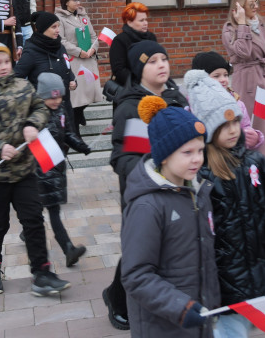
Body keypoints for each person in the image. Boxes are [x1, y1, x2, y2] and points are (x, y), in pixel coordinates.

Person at [0, 41, 70, 297]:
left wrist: (32, 124)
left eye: (6, 61)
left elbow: (40, 107)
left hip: (23, 169)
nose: (4, 66)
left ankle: (42, 273)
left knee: (33, 219)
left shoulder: (23, 86)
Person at [183, 69, 265, 338]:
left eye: (235, 122)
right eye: (223, 125)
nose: (233, 130)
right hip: (224, 283)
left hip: (256, 272)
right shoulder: (202, 176)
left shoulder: (254, 161)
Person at [103, 40, 189, 331]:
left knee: (168, 247)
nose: (161, 64)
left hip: (178, 191)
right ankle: (117, 298)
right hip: (143, 194)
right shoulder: (132, 106)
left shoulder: (176, 99)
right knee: (140, 250)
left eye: (163, 58)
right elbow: (123, 158)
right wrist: (155, 172)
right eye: (152, 61)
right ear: (140, 70)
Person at [120, 97, 219, 337]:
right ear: (164, 155)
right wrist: (180, 308)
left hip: (198, 319)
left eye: (200, 151)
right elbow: (136, 275)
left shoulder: (198, 192)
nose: (197, 159)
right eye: (187, 152)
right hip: (163, 326)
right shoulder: (147, 206)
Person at [33, 72, 91, 267]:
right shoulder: (36, 116)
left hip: (56, 168)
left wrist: (81, 146)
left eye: (60, 96)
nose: (57, 100)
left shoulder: (60, 112)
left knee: (43, 210)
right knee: (52, 211)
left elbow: (67, 134)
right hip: (42, 170)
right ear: (42, 96)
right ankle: (68, 249)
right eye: (52, 97)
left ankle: (28, 231)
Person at [223, 0, 265, 163]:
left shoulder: (260, 25)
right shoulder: (230, 29)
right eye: (251, 4)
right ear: (240, 6)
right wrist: (242, 24)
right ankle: (255, 165)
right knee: (256, 128)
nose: (256, 6)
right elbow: (243, 51)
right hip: (249, 83)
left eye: (256, 2)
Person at [13, 11, 78, 137]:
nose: (58, 30)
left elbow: (67, 69)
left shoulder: (60, 46)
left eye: (58, 26)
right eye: (54, 27)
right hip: (43, 113)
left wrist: (73, 80)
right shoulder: (32, 51)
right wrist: (30, 95)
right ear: (43, 29)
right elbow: (16, 77)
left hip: (64, 109)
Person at [191, 51, 263, 151]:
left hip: (235, 156)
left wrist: (253, 138)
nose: (223, 79)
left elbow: (245, 127)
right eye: (216, 76)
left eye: (225, 75)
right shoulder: (195, 108)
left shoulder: (237, 104)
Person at [56, 0, 102, 129]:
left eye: (79, 0)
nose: (78, 3)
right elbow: (61, 41)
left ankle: (80, 112)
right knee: (78, 94)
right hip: (75, 60)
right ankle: (76, 120)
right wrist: (79, 52)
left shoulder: (83, 16)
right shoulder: (60, 18)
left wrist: (93, 49)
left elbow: (94, 36)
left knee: (91, 91)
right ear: (66, 2)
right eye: (75, 0)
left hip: (89, 58)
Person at [108, 2, 157, 99]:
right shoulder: (120, 41)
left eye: (146, 19)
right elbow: (119, 70)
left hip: (151, 90)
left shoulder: (151, 37)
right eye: (141, 20)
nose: (145, 23)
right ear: (129, 22)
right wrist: (140, 81)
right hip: (128, 93)